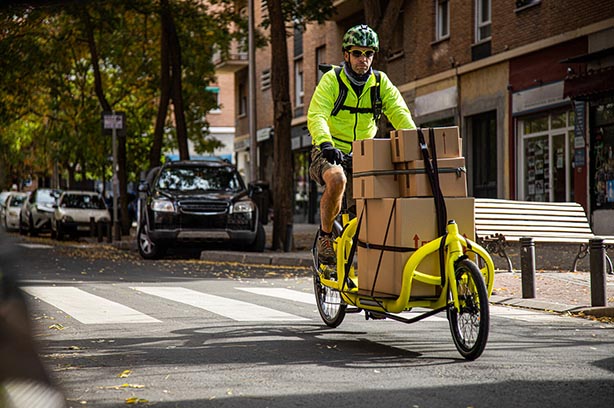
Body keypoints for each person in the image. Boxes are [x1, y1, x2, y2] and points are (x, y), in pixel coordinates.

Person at [307, 24, 416, 265]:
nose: (363, 59)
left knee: (365, 215)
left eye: (368, 54)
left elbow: (399, 113)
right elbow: (317, 115)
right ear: (346, 55)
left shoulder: (380, 83)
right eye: (357, 53)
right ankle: (326, 237)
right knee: (337, 179)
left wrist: (415, 140)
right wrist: (325, 143)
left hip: (363, 153)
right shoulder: (332, 81)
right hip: (328, 149)